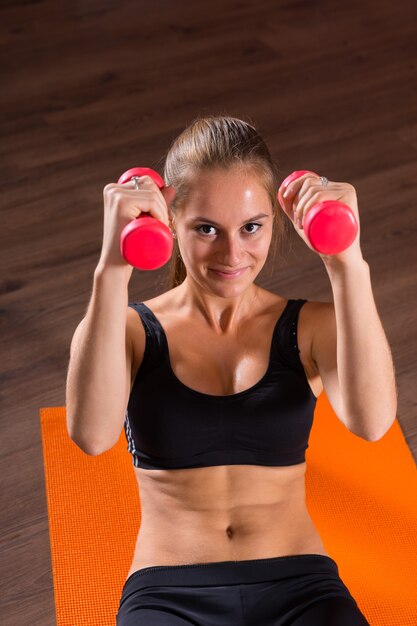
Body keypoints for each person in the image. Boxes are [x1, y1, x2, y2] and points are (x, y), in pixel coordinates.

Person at [66, 115, 396, 624]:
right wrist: (112, 266)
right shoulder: (131, 330)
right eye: (205, 229)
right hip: (168, 593)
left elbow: (372, 423)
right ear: (168, 221)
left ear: (274, 221)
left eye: (251, 227)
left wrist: (347, 262)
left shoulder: (307, 327)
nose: (232, 253)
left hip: (300, 584)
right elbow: (90, 436)